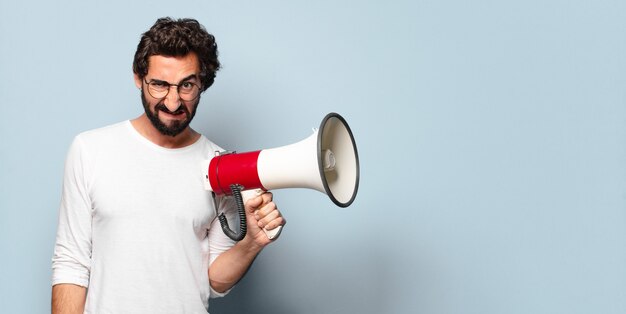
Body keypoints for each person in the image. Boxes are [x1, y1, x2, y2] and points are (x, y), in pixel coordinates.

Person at [51, 17, 285, 314]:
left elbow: (214, 281)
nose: (173, 103)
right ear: (139, 77)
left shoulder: (220, 166)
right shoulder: (89, 150)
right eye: (159, 85)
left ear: (203, 83)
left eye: (187, 85)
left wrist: (252, 241)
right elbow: (71, 263)